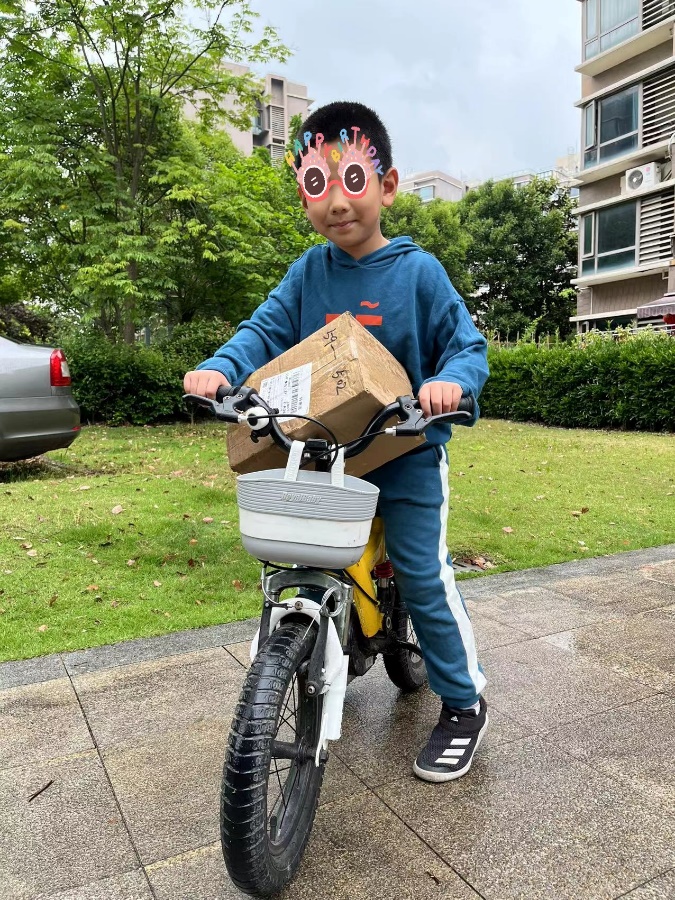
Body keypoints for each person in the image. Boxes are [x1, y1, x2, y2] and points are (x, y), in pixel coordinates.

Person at [184, 101, 490, 783]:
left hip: (406, 453)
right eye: (317, 185)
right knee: (300, 557)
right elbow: (262, 330)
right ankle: (321, 647)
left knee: (422, 573)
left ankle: (463, 704)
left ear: (388, 185)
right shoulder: (307, 273)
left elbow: (466, 347)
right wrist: (221, 368)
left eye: (353, 179)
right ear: (303, 196)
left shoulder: (418, 272)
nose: (337, 201)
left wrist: (448, 382)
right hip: (324, 454)